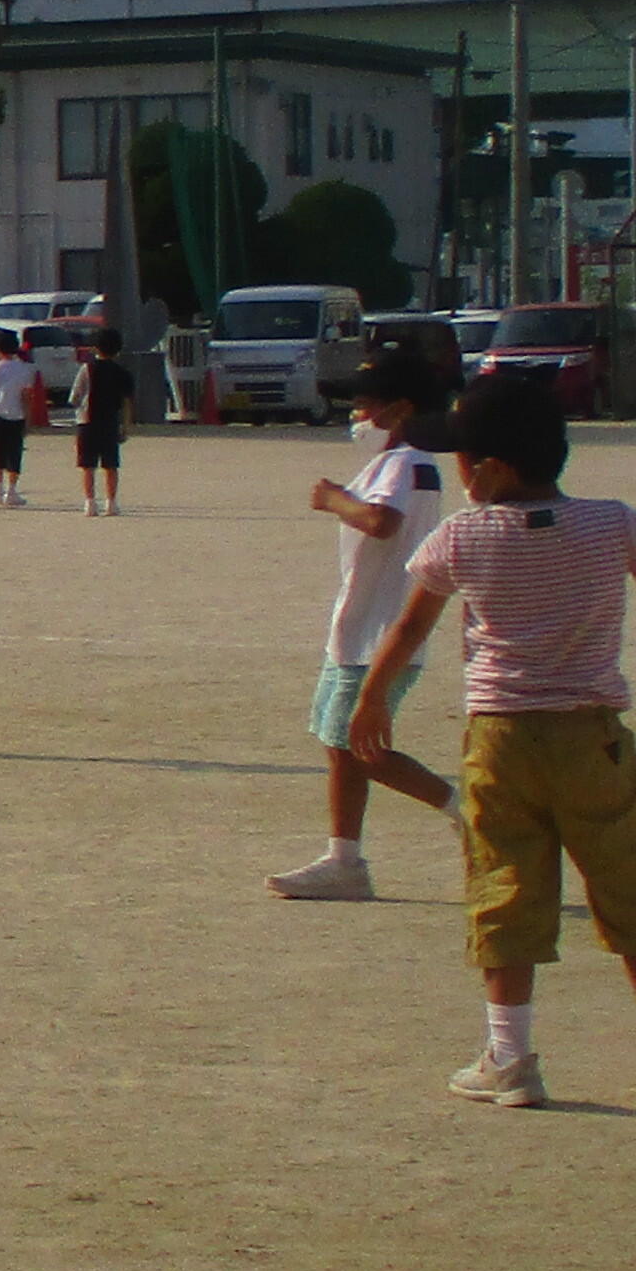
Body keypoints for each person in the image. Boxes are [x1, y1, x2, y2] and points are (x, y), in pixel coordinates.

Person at [344, 369, 636, 1110]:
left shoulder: (463, 537)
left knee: (504, 886)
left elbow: (412, 623)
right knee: (631, 881)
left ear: (492, 469)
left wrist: (373, 697)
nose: (460, 471)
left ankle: (510, 1059)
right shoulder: (611, 524)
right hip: (590, 737)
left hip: (499, 741)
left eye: (465, 458)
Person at [267, 346, 464, 901]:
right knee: (337, 744)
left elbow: (381, 521)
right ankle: (344, 859)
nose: (356, 417)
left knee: (360, 747)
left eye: (365, 406)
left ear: (400, 410)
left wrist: (334, 499)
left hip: (381, 633)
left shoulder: (408, 462)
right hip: (356, 630)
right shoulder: (393, 463)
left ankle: (465, 810)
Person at [72, 324, 137, 516]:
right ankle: (111, 502)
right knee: (111, 465)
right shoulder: (123, 373)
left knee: (88, 465)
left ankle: (90, 502)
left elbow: (75, 396)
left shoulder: (87, 369)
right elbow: (127, 403)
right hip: (110, 421)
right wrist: (125, 427)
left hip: (87, 421)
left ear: (96, 347)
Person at [0, 333, 45, 507]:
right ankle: (11, 491)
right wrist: (28, 417)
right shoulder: (24, 369)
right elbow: (25, 396)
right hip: (17, 416)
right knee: (14, 453)